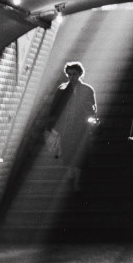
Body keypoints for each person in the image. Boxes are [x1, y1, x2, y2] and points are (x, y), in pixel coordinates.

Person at [46, 61, 98, 191]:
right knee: (68, 152)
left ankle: (75, 182)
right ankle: (71, 178)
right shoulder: (62, 89)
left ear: (80, 74)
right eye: (69, 74)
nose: (71, 77)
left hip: (81, 125)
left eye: (74, 74)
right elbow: (55, 108)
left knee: (80, 153)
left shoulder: (87, 89)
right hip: (66, 126)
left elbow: (93, 108)